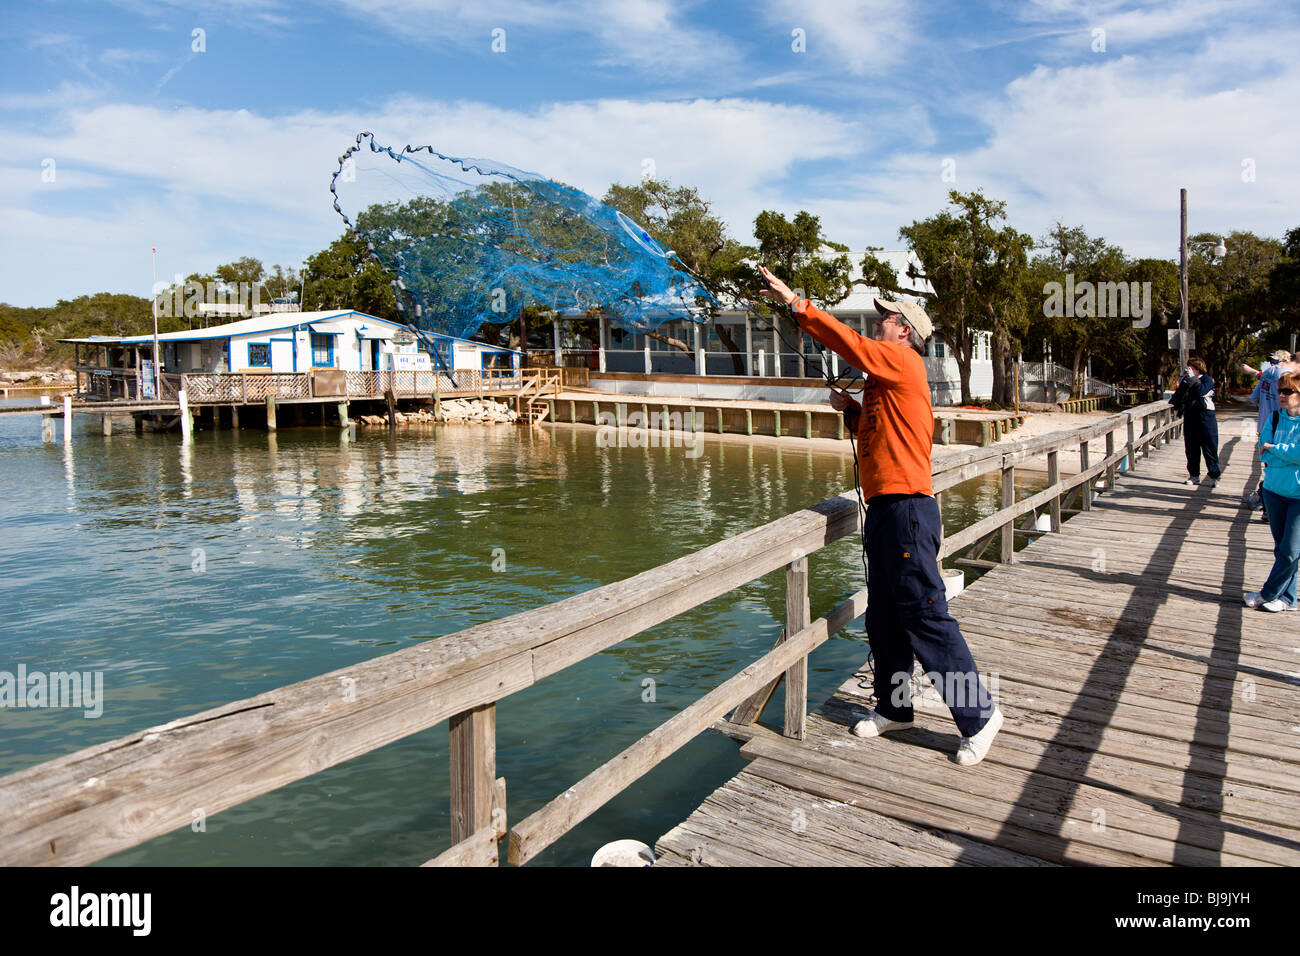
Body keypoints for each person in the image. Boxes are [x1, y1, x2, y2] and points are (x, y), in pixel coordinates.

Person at [757, 265, 1002, 766]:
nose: (879, 324)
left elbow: (849, 343)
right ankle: (895, 707)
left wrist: (797, 303)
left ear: (904, 330)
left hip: (908, 509)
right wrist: (850, 409)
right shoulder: (885, 381)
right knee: (886, 617)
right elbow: (882, 428)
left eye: (886, 318)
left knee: (926, 617)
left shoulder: (901, 360)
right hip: (886, 511)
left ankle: (980, 715)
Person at [1245, 370, 1300, 612]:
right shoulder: (1275, 418)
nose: (1282, 395)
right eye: (1280, 391)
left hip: (1298, 495)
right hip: (1273, 491)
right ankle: (1288, 598)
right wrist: (1284, 453)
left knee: (1290, 551)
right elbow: (1262, 452)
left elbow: (1289, 453)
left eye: (1288, 391)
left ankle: (1267, 594)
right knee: (1282, 549)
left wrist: (1275, 449)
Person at [1241, 350, 1296, 515]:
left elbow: (1254, 398)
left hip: (1266, 425)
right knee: (1284, 466)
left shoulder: (1265, 375)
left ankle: (1267, 504)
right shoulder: (1287, 375)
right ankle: (1268, 506)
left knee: (1270, 467)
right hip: (1283, 425)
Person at [1169, 356, 1221, 487]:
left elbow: (1201, 391)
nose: (1188, 370)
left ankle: (1214, 476)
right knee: (1191, 448)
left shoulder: (1207, 380)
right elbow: (1178, 396)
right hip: (1190, 417)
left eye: (1190, 368)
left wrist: (1193, 379)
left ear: (1197, 368)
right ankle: (1194, 475)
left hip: (1206, 417)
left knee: (1209, 447)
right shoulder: (1187, 380)